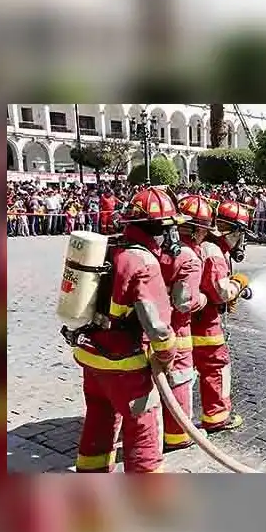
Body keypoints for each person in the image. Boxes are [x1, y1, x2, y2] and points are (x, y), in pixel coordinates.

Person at [71, 187, 181, 473]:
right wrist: (168, 358)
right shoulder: (144, 263)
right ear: (159, 230)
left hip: (92, 358)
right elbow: (156, 327)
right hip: (127, 366)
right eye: (169, 229)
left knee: (99, 419)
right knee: (143, 428)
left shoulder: (111, 248)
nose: (172, 238)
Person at [191, 200, 252, 432]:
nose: (241, 241)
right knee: (216, 367)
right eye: (241, 234)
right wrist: (238, 283)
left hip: (189, 321)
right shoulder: (214, 252)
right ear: (234, 230)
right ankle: (217, 417)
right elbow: (220, 292)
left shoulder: (206, 244)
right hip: (204, 324)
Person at [159, 194, 213, 451]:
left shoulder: (159, 247)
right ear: (199, 228)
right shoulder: (189, 257)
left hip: (151, 328)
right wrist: (202, 298)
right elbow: (185, 302)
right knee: (180, 378)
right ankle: (178, 435)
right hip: (177, 330)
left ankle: (159, 426)